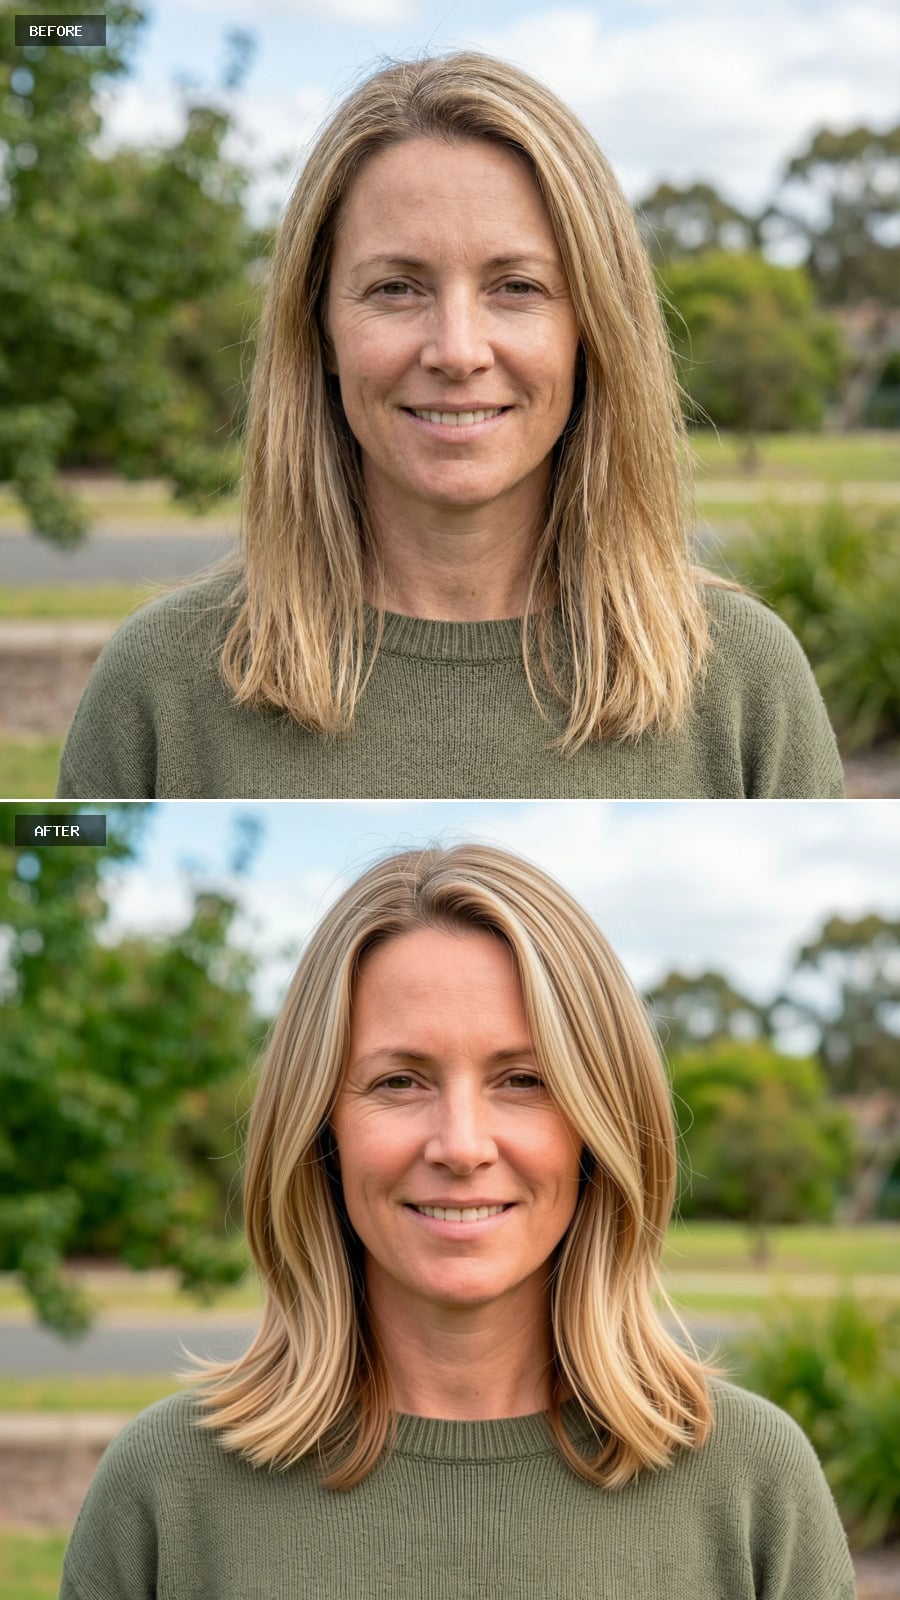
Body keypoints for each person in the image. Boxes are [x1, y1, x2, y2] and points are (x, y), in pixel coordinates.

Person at [60, 843, 855, 1599]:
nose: (462, 1146)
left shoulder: (754, 1484)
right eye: (400, 1081)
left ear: (599, 1125)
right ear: (318, 1127)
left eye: (522, 1079)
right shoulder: (165, 1489)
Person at [56, 52, 843, 800]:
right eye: (396, 288)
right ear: (319, 327)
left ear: (592, 329)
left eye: (517, 287)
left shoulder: (744, 679)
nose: (457, 351)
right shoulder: (158, 687)